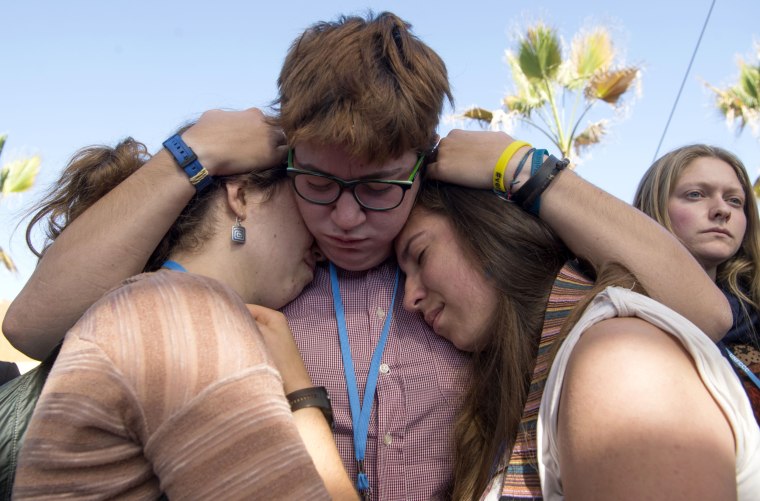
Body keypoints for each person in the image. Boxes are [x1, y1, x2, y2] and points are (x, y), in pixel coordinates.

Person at [3, 12, 733, 499]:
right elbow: (36, 324)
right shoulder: (254, 271)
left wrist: (525, 167)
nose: (347, 218)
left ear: (423, 162)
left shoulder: (468, 245)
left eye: (381, 187)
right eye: (319, 183)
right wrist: (190, 155)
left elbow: (704, 313)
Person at [396, 134, 760, 500]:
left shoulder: (620, 359)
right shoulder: (525, 381)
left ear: (488, 232)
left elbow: (713, 315)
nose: (409, 298)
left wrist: (517, 165)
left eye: (422, 255)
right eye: (696, 194)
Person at [11, 137, 357, 500]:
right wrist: (303, 399)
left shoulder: (147, 305)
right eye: (307, 200)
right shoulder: (185, 315)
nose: (323, 241)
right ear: (240, 198)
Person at [634, 144, 760, 424]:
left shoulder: (753, 311)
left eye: (735, 201)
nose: (721, 210)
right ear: (654, 206)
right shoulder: (625, 312)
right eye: (695, 195)